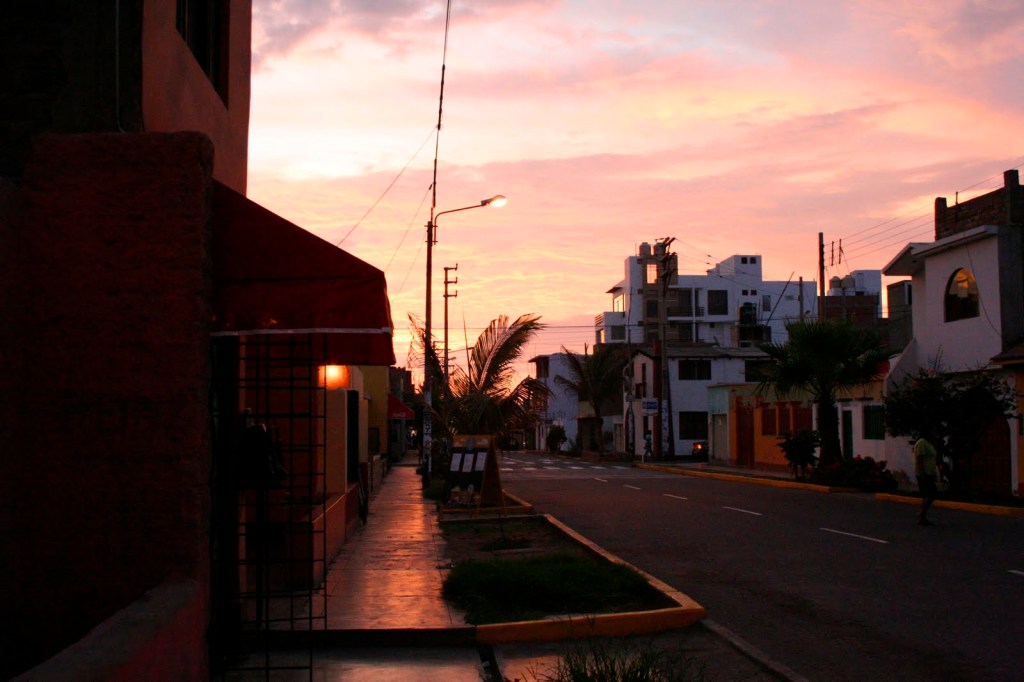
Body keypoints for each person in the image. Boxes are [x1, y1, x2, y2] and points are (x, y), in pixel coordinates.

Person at [913, 433, 939, 526]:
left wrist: (934, 472)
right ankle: (921, 514)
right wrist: (923, 473)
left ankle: (922, 516)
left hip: (929, 473)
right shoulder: (921, 443)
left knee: (927, 494)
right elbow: (919, 458)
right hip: (924, 474)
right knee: (931, 494)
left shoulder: (929, 443)